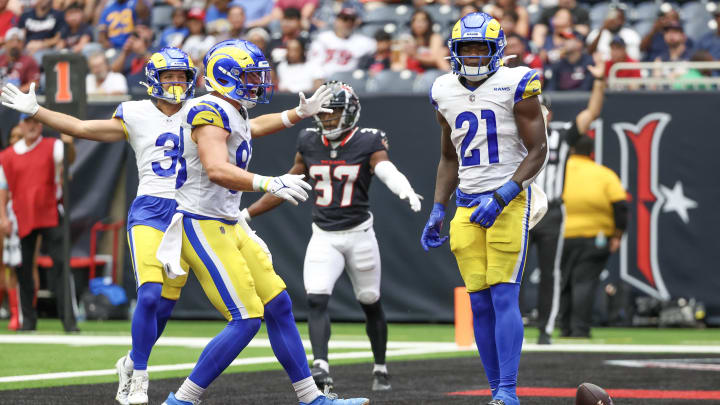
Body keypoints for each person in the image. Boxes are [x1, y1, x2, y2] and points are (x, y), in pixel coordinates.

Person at [154, 39, 367, 405]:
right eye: (250, 77)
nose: (257, 83)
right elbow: (217, 168)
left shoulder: (230, 109)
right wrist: (268, 182)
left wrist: (296, 114)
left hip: (227, 222)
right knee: (246, 317)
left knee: (279, 304)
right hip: (199, 222)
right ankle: (182, 400)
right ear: (225, 76)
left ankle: (311, 397)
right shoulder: (208, 109)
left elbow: (251, 127)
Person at [1, 47, 197, 405]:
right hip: (151, 209)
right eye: (169, 76)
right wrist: (37, 111)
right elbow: (80, 127)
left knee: (165, 308)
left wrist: (293, 115)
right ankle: (139, 375)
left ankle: (131, 361)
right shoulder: (137, 113)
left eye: (182, 76)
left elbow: (251, 127)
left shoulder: (203, 113)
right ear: (154, 78)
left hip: (189, 212)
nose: (177, 83)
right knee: (150, 295)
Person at [246, 81, 422, 393]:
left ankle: (380, 366)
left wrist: (402, 187)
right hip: (323, 233)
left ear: (351, 112)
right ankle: (321, 365)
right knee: (316, 297)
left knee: (370, 302)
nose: (327, 119)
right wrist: (248, 214)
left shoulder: (369, 140)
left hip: (360, 235)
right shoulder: (309, 139)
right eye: (324, 113)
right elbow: (289, 182)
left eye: (334, 112)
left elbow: (384, 168)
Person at [421, 12, 548, 405]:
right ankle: (495, 391)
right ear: (454, 52)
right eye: (466, 48)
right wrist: (438, 207)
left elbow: (539, 149)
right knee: (478, 299)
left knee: (504, 295)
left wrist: (505, 194)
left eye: (481, 47)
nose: (474, 55)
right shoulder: (442, 89)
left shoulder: (517, 82)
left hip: (508, 200)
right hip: (467, 204)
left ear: (497, 51)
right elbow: (448, 157)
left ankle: (509, 390)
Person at [529, 60, 605, 345]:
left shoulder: (560, 135)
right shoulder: (515, 136)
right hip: (520, 208)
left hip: (550, 211)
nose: (538, 114)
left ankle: (546, 328)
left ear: (549, 114)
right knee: (512, 272)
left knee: (551, 272)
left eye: (541, 109)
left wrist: (598, 82)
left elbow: (591, 113)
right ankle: (509, 325)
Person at [0, 113, 77, 333]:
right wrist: (3, 218)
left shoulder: (53, 146)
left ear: (41, 125)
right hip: (21, 215)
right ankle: (28, 322)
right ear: (21, 125)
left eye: (35, 122)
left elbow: (69, 160)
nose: (32, 126)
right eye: (28, 122)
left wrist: (69, 144)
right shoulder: (7, 156)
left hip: (50, 211)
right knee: (22, 268)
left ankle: (69, 321)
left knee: (61, 264)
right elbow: (3, 189)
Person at [560, 136, 628, 339]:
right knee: (584, 282)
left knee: (562, 282)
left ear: (570, 150)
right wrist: (617, 235)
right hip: (595, 238)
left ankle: (564, 328)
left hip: (560, 237)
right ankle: (580, 330)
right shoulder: (604, 174)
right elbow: (621, 207)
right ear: (591, 152)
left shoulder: (558, 172)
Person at [307, 4, 375, 87]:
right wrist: (318, 77)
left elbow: (381, 47)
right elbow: (315, 63)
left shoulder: (364, 42)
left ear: (355, 23)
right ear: (336, 21)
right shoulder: (323, 39)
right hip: (325, 81)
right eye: (344, 19)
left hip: (350, 83)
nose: (347, 23)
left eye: (351, 20)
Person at [0, 125, 23, 331]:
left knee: (25, 264)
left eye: (19, 136)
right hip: (9, 215)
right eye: (12, 136)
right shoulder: (5, 159)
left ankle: (24, 312)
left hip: (25, 214)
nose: (15, 140)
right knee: (7, 264)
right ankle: (13, 312)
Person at [0, 27, 40, 92]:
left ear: (23, 44)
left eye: (18, 41)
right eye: (12, 40)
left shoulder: (29, 61)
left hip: (20, 98)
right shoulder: (1, 58)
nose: (15, 44)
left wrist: (15, 93)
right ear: (6, 43)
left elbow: (34, 83)